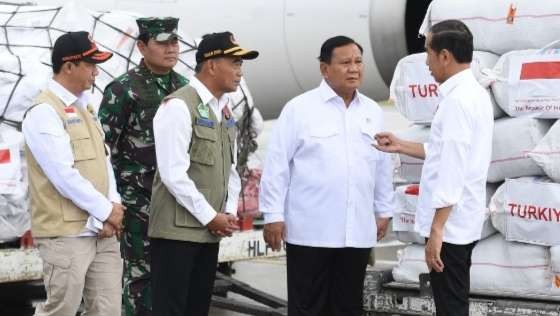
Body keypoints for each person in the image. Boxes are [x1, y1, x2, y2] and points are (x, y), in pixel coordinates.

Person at [259, 35, 394, 316]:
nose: (354, 68)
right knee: (308, 307)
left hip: (355, 231)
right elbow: (277, 166)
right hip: (311, 233)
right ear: (324, 69)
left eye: (358, 62)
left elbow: (381, 164)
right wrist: (273, 215)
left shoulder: (372, 111)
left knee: (347, 307)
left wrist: (383, 209)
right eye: (345, 63)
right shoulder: (300, 109)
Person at [374, 20, 494, 316]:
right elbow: (444, 152)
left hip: (450, 228)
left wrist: (436, 230)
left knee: (450, 307)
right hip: (462, 221)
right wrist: (402, 145)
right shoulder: (474, 93)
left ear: (444, 56)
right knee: (454, 303)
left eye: (428, 52)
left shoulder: (456, 102)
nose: (426, 61)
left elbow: (451, 168)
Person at [148, 31, 258, 316]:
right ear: (210, 65)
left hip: (209, 230)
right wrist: (212, 216)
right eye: (234, 63)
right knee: (171, 310)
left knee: (197, 309)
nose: (239, 72)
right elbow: (173, 174)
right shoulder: (178, 106)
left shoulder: (223, 110)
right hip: (177, 233)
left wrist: (228, 212)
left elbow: (231, 169)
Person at [22, 31, 124, 316]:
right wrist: (105, 211)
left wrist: (111, 208)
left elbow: (104, 162)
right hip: (66, 234)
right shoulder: (44, 111)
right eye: (91, 64)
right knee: (61, 310)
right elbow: (62, 175)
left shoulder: (85, 106)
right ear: (69, 66)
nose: (96, 72)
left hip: (100, 229)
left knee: (107, 310)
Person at [98, 17, 188, 315]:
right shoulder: (123, 90)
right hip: (139, 205)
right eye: (162, 42)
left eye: (174, 42)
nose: (170, 48)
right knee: (139, 282)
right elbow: (103, 150)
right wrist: (112, 203)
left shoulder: (185, 89)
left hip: (179, 204)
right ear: (141, 46)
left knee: (175, 281)